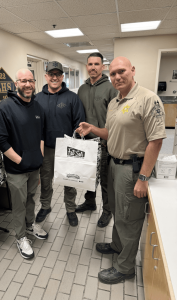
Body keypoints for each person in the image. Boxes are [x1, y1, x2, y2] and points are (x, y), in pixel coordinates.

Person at [76, 56, 166, 284]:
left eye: (121, 71)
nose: (117, 77)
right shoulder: (116, 102)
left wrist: (143, 178)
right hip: (113, 165)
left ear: (132, 70)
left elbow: (156, 142)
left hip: (132, 170)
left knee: (129, 218)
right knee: (117, 211)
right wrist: (92, 128)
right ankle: (117, 246)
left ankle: (125, 267)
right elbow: (110, 133)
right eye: (113, 73)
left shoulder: (148, 99)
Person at [0, 69, 48, 260]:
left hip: (34, 167)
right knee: (19, 204)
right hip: (16, 169)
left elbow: (41, 135)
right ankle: (21, 236)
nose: (27, 84)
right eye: (23, 81)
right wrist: (20, 160)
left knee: (31, 199)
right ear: (16, 84)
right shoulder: (4, 107)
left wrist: (38, 158)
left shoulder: (38, 107)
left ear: (34, 83)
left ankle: (30, 225)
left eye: (30, 81)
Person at [35, 61, 85, 227]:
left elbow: (79, 123)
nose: (54, 77)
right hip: (46, 148)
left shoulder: (72, 97)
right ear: (46, 76)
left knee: (69, 180)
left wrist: (74, 146)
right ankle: (45, 206)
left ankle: (70, 209)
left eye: (58, 74)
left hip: (67, 148)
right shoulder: (38, 98)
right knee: (45, 179)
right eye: (51, 74)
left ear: (62, 77)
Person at [76, 52, 118, 228]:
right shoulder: (82, 89)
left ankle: (107, 211)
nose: (93, 67)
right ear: (87, 66)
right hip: (87, 143)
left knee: (105, 180)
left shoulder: (110, 88)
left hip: (105, 143)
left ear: (103, 66)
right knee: (88, 176)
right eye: (90, 64)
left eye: (96, 64)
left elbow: (116, 119)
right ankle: (90, 202)